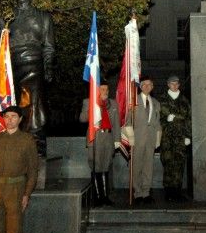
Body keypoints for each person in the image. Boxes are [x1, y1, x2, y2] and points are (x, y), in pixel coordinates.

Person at [9, 0, 55, 156]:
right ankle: (15, 136)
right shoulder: (8, 16)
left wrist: (48, 67)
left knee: (34, 100)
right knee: (15, 102)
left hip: (34, 62)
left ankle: (36, 137)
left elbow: (49, 46)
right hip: (12, 64)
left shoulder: (43, 17)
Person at [79, 83, 120, 206]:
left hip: (108, 137)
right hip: (95, 137)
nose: (105, 91)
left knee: (106, 166)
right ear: (97, 90)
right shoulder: (89, 101)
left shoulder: (113, 103)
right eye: (102, 88)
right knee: (96, 166)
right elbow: (82, 119)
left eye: (107, 89)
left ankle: (105, 196)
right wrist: (93, 107)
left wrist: (117, 140)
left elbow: (116, 123)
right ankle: (96, 197)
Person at [125, 76, 161, 205]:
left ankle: (146, 193)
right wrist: (131, 138)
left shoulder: (156, 103)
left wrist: (158, 139)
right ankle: (137, 193)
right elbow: (127, 121)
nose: (147, 86)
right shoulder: (133, 101)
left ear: (152, 87)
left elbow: (157, 123)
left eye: (149, 84)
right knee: (136, 166)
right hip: (137, 139)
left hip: (150, 140)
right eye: (144, 84)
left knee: (148, 167)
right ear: (140, 87)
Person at [157, 75, 192, 202]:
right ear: (168, 84)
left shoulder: (184, 100)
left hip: (181, 137)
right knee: (168, 163)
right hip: (167, 138)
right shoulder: (161, 100)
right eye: (172, 83)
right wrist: (165, 120)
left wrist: (188, 136)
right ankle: (168, 192)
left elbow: (188, 119)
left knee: (179, 164)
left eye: (177, 83)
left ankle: (177, 192)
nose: (175, 85)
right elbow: (156, 119)